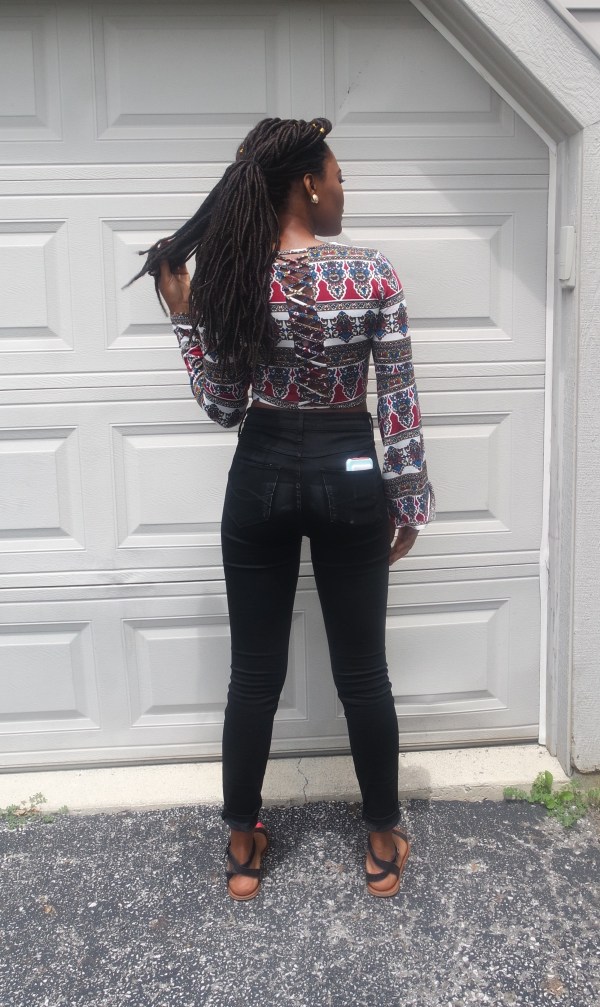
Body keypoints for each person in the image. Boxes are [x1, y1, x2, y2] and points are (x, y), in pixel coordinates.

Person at [130, 117, 435, 901]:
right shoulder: (372, 272)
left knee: (253, 674)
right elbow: (397, 397)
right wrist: (408, 496)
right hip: (349, 471)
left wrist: (184, 317)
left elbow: (224, 406)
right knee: (363, 672)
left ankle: (243, 845)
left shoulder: (232, 275)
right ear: (308, 183)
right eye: (338, 178)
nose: (342, 191)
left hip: (260, 472)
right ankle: (381, 839)